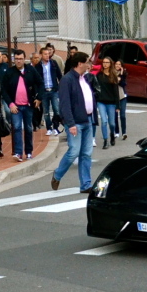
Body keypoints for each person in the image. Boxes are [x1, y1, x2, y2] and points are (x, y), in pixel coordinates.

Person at [50, 53, 97, 193]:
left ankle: (86, 184)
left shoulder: (85, 78)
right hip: (75, 122)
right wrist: (70, 124)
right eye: (87, 62)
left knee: (86, 153)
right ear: (79, 64)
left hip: (88, 120)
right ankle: (57, 174)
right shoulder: (67, 80)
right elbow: (64, 104)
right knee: (73, 152)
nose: (89, 65)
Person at [1, 49, 42, 162]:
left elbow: (40, 83)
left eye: (21, 59)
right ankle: (18, 152)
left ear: (24, 59)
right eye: (17, 59)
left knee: (28, 128)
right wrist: (10, 103)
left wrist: (39, 98)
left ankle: (28, 152)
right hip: (16, 106)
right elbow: (3, 90)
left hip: (28, 105)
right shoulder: (10, 72)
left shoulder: (30, 70)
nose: (18, 61)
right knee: (17, 128)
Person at [95, 55, 125, 148]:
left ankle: (112, 134)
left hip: (111, 103)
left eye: (107, 62)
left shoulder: (113, 76)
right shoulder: (99, 75)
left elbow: (116, 91)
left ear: (110, 64)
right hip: (101, 102)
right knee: (104, 121)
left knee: (112, 123)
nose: (105, 64)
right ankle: (105, 140)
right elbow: (96, 87)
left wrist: (118, 105)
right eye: (103, 62)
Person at [38, 45, 63, 135]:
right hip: (44, 91)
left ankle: (55, 127)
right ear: (41, 55)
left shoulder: (53, 63)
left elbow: (59, 76)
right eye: (45, 54)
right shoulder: (38, 66)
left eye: (48, 54)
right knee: (46, 111)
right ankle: (49, 128)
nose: (47, 56)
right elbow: (37, 80)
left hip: (53, 90)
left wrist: (60, 87)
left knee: (56, 109)